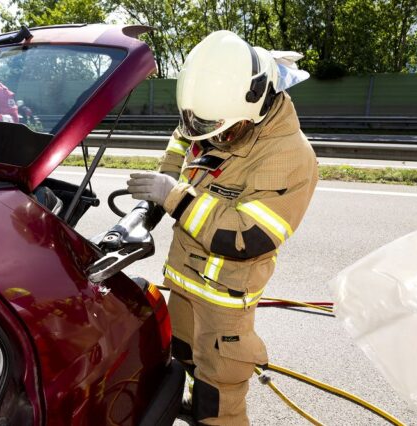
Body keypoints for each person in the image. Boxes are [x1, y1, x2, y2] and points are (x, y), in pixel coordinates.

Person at [127, 31, 318, 425]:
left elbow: (246, 236)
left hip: (223, 301)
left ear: (259, 107)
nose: (212, 139)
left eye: (224, 133)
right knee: (182, 358)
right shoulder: (216, 116)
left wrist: (175, 198)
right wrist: (155, 198)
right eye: (202, 127)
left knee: (219, 392)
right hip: (184, 281)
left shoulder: (290, 156)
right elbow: (183, 143)